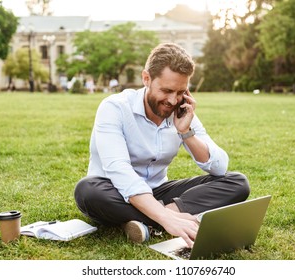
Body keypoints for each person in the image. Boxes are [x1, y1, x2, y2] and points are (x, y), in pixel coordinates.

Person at [74, 43, 250, 248]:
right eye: (166, 90)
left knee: (237, 182)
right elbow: (119, 170)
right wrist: (166, 217)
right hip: (113, 190)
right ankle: (164, 219)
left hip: (158, 191)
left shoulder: (182, 111)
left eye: (181, 91)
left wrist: (186, 132)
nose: (173, 100)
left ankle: (146, 223)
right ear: (146, 78)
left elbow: (219, 167)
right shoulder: (114, 108)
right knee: (87, 190)